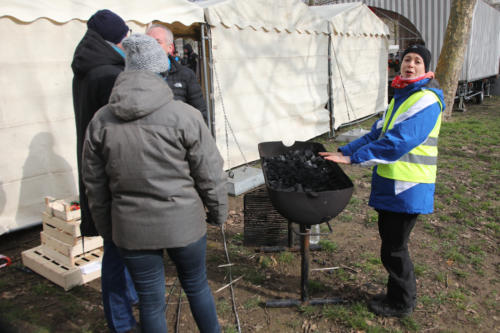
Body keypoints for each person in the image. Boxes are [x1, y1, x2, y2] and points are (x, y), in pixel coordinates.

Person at [82, 33, 228, 333]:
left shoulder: (101, 121)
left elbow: (94, 186)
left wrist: (109, 230)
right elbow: (210, 173)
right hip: (184, 225)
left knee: (150, 301)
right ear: (162, 70)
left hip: (132, 230)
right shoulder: (185, 116)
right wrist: (218, 212)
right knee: (197, 287)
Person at [320, 44, 445, 318]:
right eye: (406, 60)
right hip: (393, 186)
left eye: (417, 62)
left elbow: (398, 142)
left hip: (408, 188)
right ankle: (396, 294)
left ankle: (402, 303)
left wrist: (355, 160)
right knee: (391, 246)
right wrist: (344, 152)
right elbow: (375, 134)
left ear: (427, 69)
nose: (410, 64)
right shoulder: (400, 99)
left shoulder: (426, 100)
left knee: (395, 249)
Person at [71, 9, 139, 333]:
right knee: (116, 246)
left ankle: (129, 296)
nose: (127, 42)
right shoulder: (109, 74)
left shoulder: (88, 68)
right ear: (115, 39)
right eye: (125, 36)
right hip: (112, 172)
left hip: (99, 166)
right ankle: (121, 323)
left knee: (123, 244)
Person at [146, 24, 208, 124]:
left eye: (157, 42)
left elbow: (201, 115)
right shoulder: (134, 75)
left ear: (170, 48)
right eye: (147, 43)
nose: (151, 47)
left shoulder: (185, 75)